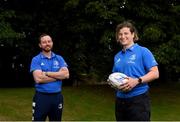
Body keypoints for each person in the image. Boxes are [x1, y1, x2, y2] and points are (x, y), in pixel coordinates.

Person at [112, 21, 159, 121]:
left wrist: (136, 81)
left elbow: (155, 73)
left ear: (133, 34)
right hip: (120, 100)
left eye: (126, 33)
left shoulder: (143, 51)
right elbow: (115, 75)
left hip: (138, 99)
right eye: (120, 34)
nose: (122, 36)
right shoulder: (117, 56)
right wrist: (113, 82)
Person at [30, 33, 69, 121]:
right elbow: (38, 79)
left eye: (49, 41)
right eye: (44, 42)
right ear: (40, 45)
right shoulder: (36, 59)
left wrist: (47, 73)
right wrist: (59, 76)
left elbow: (66, 74)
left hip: (57, 97)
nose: (47, 43)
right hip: (41, 97)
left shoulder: (59, 58)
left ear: (52, 43)